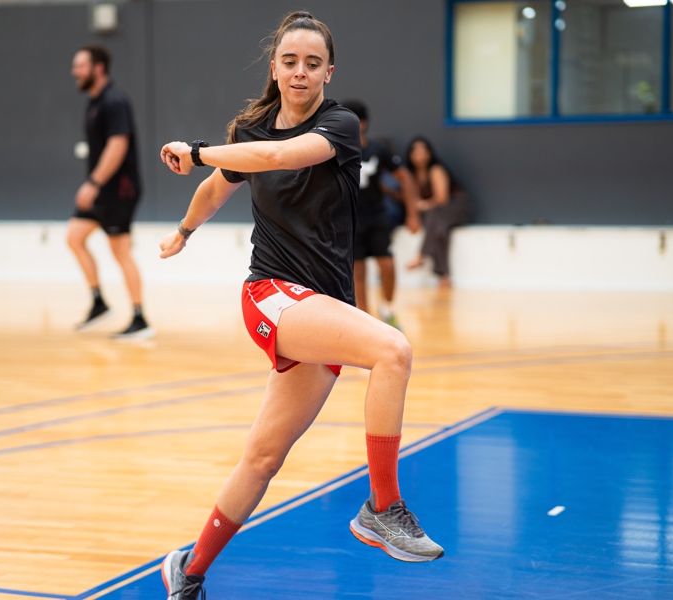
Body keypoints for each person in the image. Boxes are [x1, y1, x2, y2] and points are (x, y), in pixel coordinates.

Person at [157, 11, 443, 599]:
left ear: (328, 72)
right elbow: (216, 188)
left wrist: (201, 149)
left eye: (313, 64)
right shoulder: (252, 129)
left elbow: (275, 159)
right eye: (290, 61)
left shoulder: (339, 126)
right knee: (392, 350)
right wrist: (184, 231)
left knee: (262, 459)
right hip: (273, 295)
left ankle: (188, 572)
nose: (301, 72)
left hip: (321, 305)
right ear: (275, 67)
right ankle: (382, 507)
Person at [67, 44, 154, 340]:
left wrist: (93, 183)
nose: (74, 72)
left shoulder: (114, 101)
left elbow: (118, 146)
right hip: (102, 190)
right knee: (74, 237)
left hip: (119, 190)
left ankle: (140, 318)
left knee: (120, 250)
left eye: (80, 66)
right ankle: (99, 302)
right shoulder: (95, 101)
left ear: (98, 68)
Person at [340, 100, 419, 330]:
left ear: (362, 123)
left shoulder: (378, 150)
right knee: (358, 272)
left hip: (377, 217)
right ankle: (364, 319)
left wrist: (412, 214)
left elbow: (405, 178)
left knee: (387, 266)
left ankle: (387, 308)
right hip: (351, 220)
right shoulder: (340, 151)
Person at [404, 136, 472, 288]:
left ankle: (421, 255)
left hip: (456, 206)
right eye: (415, 152)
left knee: (433, 215)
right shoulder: (410, 175)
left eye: (423, 151)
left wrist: (424, 204)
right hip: (437, 214)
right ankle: (444, 275)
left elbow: (442, 198)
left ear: (429, 153)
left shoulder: (436, 170)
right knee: (440, 230)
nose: (419, 155)